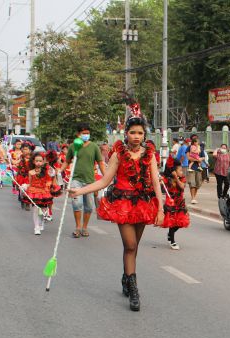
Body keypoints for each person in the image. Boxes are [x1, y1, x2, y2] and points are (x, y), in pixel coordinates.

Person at [69, 114, 164, 312]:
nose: (136, 136)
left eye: (140, 133)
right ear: (126, 133)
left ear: (144, 135)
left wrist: (161, 209)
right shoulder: (118, 154)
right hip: (122, 204)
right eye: (132, 132)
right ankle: (134, 290)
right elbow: (104, 181)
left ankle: (126, 277)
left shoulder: (149, 154)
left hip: (144, 204)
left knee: (134, 247)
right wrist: (79, 191)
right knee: (130, 245)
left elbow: (156, 182)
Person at [66, 124, 105, 238]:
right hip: (76, 179)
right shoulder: (73, 146)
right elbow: (67, 161)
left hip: (90, 181)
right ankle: (78, 227)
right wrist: (60, 170)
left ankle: (85, 227)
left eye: (88, 133)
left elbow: (100, 162)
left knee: (89, 206)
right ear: (78, 134)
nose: (86, 135)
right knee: (77, 203)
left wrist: (106, 176)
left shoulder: (94, 147)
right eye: (84, 133)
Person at [23, 151, 60, 235]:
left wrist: (53, 173)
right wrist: (25, 186)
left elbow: (52, 178)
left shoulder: (47, 171)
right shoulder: (31, 172)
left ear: (43, 161)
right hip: (34, 192)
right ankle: (36, 227)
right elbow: (30, 183)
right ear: (33, 161)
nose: (38, 163)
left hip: (44, 192)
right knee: (36, 209)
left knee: (43, 210)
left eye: (40, 161)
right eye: (36, 161)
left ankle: (41, 222)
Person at [161, 156, 190, 250]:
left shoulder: (182, 179)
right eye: (180, 170)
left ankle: (170, 234)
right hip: (171, 204)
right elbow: (159, 183)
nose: (182, 172)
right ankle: (172, 240)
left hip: (180, 203)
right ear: (173, 171)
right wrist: (159, 179)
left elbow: (182, 187)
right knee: (172, 223)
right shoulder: (167, 179)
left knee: (181, 223)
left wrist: (176, 178)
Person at [186, 135, 203, 204]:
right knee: (192, 183)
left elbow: (203, 157)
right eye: (194, 140)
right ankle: (193, 198)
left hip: (198, 168)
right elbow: (188, 157)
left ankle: (194, 197)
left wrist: (200, 159)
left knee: (198, 183)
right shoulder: (189, 147)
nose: (196, 142)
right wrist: (197, 160)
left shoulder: (200, 148)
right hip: (191, 168)